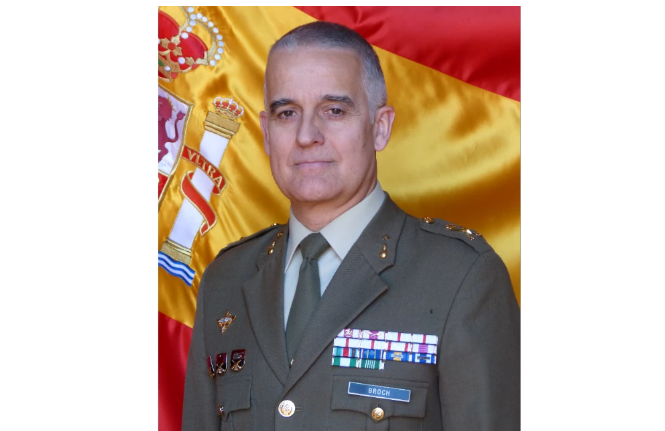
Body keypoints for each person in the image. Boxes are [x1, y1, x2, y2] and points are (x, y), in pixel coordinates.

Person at [182, 21, 520, 431]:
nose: (307, 135)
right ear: (267, 134)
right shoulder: (226, 279)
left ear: (381, 127)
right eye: (287, 113)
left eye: (334, 110)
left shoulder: (461, 278)